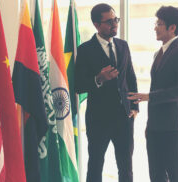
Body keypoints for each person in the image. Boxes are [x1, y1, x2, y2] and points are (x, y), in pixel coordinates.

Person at [127, 6, 178, 182]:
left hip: (173, 126)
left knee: (175, 174)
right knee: (156, 174)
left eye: (159, 23)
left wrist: (150, 96)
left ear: (172, 28)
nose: (155, 27)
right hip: (156, 125)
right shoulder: (159, 53)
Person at [74, 3, 138, 182]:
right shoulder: (85, 50)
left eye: (116, 19)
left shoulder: (123, 45)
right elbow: (78, 85)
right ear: (96, 24)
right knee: (95, 165)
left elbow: (130, 78)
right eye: (109, 21)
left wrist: (134, 108)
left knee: (126, 167)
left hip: (124, 117)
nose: (115, 24)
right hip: (98, 119)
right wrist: (99, 79)